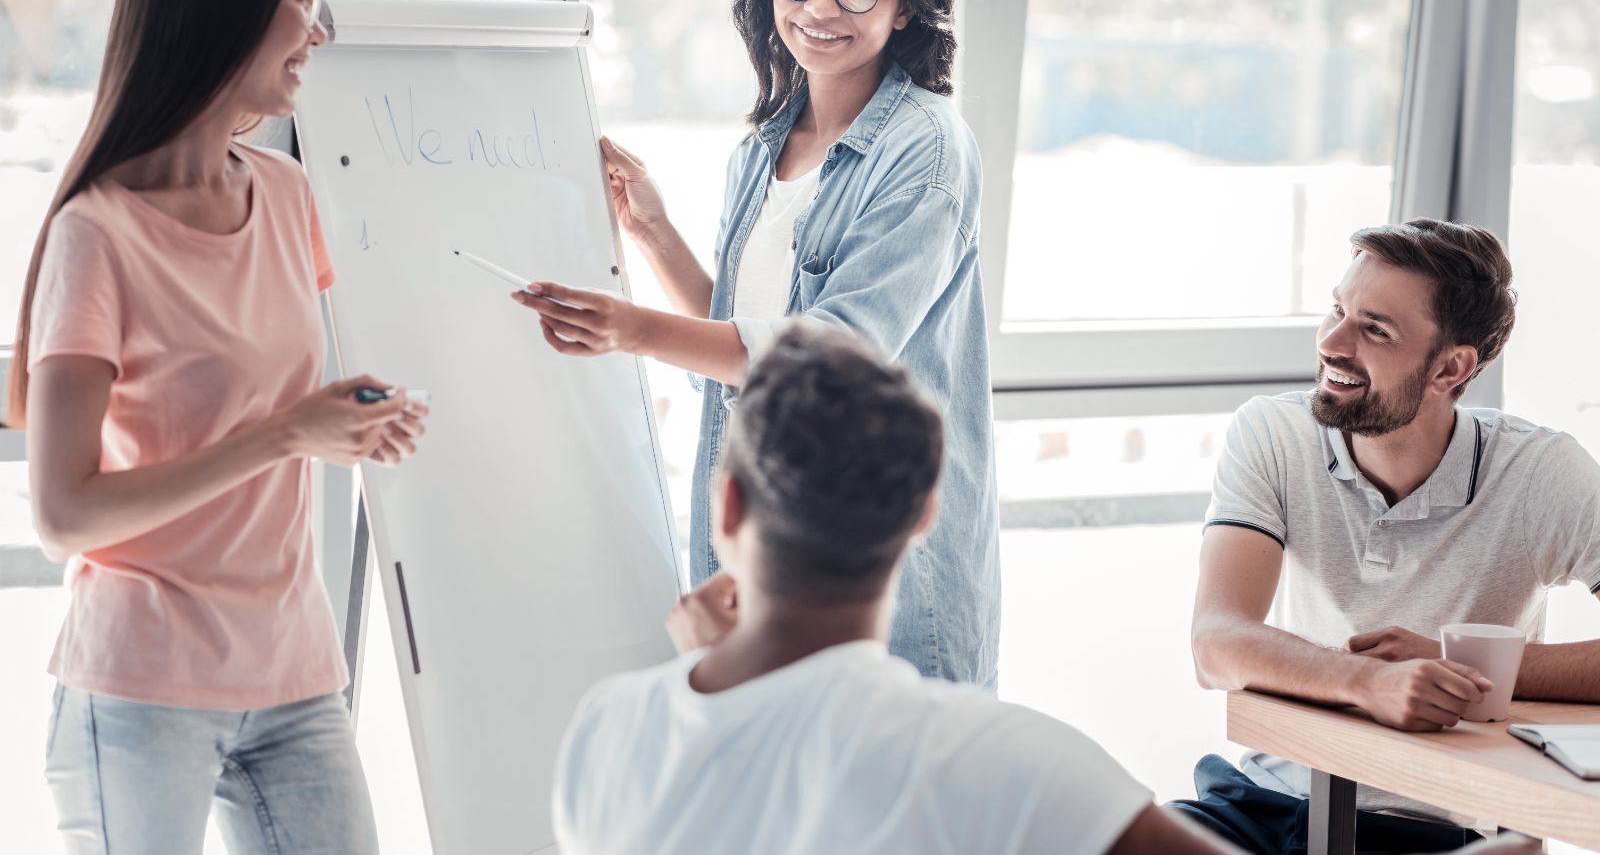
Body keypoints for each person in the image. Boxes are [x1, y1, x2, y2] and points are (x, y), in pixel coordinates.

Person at [549, 322, 1537, 855]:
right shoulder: (992, 760)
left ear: (728, 506)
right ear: (924, 515)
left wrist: (703, 674)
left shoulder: (605, 730)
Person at [10, 0, 427, 854]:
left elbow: (265, 384)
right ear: (223, 4)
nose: (318, 32)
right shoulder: (96, 233)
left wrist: (348, 416)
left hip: (292, 673)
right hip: (141, 683)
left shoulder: (285, 194)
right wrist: (285, 435)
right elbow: (64, 514)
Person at [512, 0, 999, 685]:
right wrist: (656, 234)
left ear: (905, 5)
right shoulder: (762, 147)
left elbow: (834, 351)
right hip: (762, 557)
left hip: (883, 580)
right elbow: (741, 332)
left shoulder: (927, 149)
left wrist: (631, 331)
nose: (819, 7)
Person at [1180, 218, 1600, 853]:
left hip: (1430, 831)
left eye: (1374, 330)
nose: (1332, 342)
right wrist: (1368, 682)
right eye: (1337, 310)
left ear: (1450, 368)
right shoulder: (1273, 434)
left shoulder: (1541, 472)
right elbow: (1216, 642)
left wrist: (1456, 667)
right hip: (1262, 801)